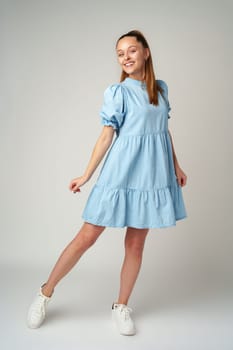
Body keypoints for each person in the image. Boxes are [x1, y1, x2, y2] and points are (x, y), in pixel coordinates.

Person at [27, 30, 187, 336]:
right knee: (87, 237)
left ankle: (121, 305)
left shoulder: (161, 90)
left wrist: (176, 166)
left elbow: (163, 132)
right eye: (120, 53)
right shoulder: (118, 92)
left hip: (151, 175)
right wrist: (86, 174)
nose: (125, 58)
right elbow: (106, 135)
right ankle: (45, 293)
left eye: (131, 51)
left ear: (146, 53)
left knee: (136, 244)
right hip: (121, 172)